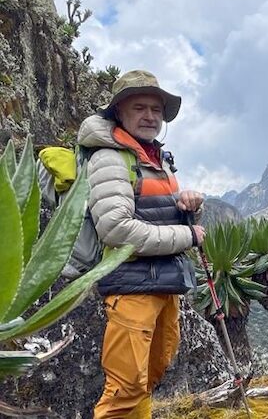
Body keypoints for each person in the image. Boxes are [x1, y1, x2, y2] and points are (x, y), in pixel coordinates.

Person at [77, 69, 206, 418]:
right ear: (119, 111)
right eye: (139, 108)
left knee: (147, 377)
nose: (150, 116)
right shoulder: (109, 157)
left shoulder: (154, 158)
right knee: (124, 389)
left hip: (162, 284)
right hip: (132, 288)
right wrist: (187, 236)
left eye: (155, 109)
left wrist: (187, 203)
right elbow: (116, 230)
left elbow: (154, 210)